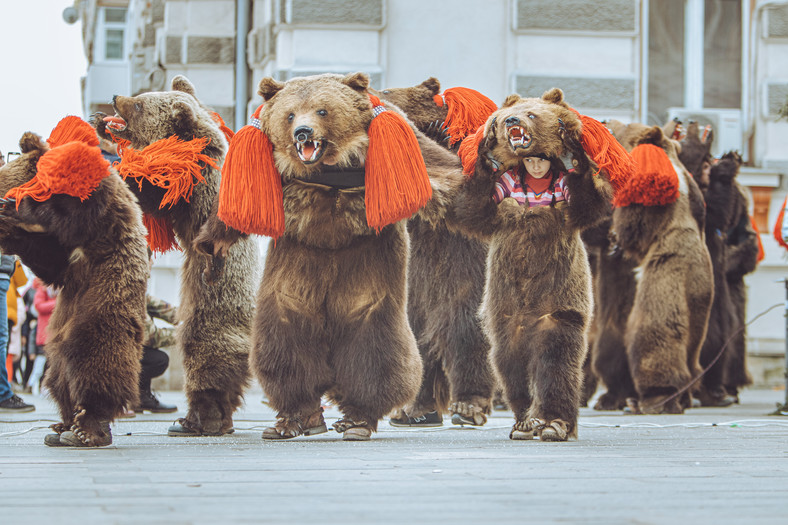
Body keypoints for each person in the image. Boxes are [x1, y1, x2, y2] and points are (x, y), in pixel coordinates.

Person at [0, 254, 34, 412]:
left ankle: (4, 392)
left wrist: (14, 258)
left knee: (4, 345)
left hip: (4, 279)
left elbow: (22, 279)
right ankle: (3, 394)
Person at [135, 293, 179, 413]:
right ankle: (125, 398)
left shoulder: (139, 292)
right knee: (158, 360)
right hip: (110, 354)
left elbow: (164, 309)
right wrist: (185, 333)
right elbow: (151, 337)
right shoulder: (128, 294)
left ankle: (141, 398)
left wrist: (196, 317)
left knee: (150, 355)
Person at [493, 153, 569, 207]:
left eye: (542, 159)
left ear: (551, 159)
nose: (536, 167)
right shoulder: (511, 178)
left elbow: (577, 202)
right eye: (528, 160)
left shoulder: (561, 180)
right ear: (522, 160)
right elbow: (487, 201)